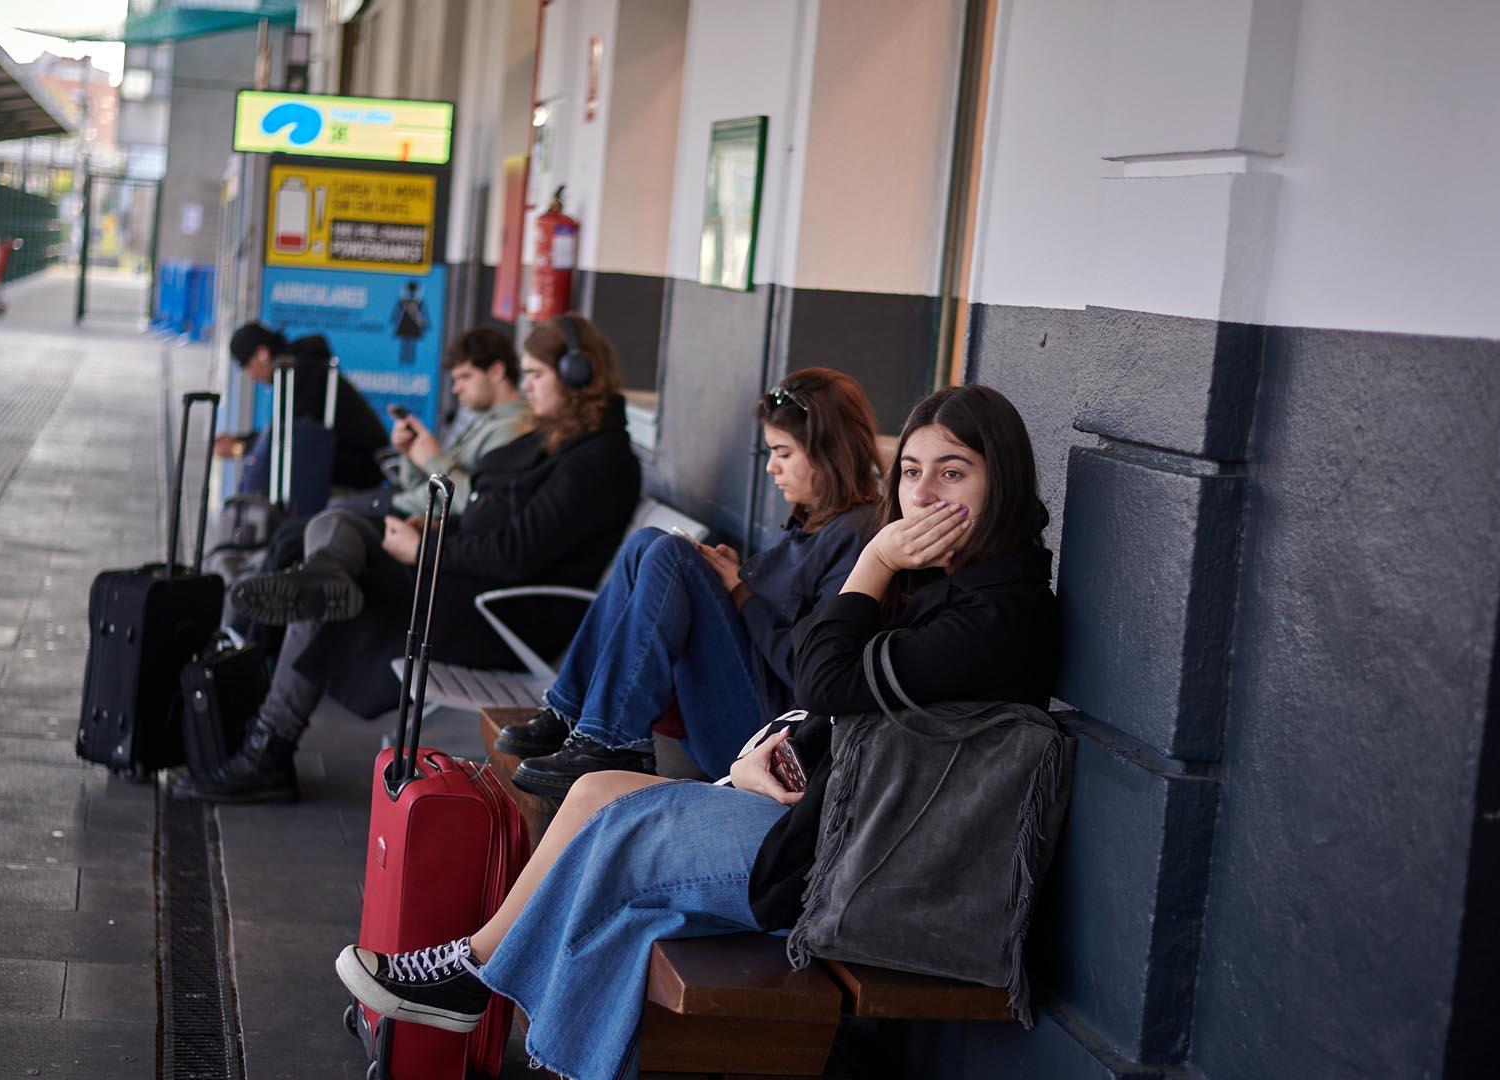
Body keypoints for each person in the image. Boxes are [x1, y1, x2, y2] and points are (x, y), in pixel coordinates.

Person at [332, 384, 1061, 1080]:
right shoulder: (948, 583)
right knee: (592, 791)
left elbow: (825, 681)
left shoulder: (997, 613)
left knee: (614, 851)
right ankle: (473, 974)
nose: (924, 495)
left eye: (953, 472)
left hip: (842, 863)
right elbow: (839, 710)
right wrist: (751, 763)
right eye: (910, 472)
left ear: (1002, 482)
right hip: (818, 812)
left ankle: (474, 983)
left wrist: (872, 561)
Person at [173, 313, 641, 805]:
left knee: (337, 601)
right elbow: (493, 516)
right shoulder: (564, 442)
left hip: (503, 614)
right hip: (469, 579)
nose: (527, 387)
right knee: (336, 529)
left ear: (577, 374)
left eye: (536, 375)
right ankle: (322, 579)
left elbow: (514, 553)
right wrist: (435, 527)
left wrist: (424, 549)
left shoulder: (600, 461)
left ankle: (267, 749)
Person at [499, 368, 883, 797]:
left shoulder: (855, 536)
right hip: (733, 707)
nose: (772, 467)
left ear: (830, 453)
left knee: (672, 557)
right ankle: (570, 715)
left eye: (784, 453)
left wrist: (740, 592)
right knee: (647, 544)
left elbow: (810, 671)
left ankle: (612, 743)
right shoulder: (812, 521)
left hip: (765, 744)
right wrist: (734, 580)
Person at [227, 326, 534, 625]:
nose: (456, 388)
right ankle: (268, 616)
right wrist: (412, 454)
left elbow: (475, 501)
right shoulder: (484, 423)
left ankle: (251, 630)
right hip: (412, 504)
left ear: (495, 371)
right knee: (295, 535)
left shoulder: (511, 430)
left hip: (421, 520)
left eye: (465, 377)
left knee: (304, 532)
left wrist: (433, 459)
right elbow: (423, 485)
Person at [222, 323, 392, 497]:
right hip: (353, 467)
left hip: (359, 473)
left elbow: (292, 437)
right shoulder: (298, 369)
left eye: (248, 366)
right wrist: (243, 441)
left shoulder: (300, 372)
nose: (251, 376)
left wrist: (241, 447)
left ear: (262, 353)